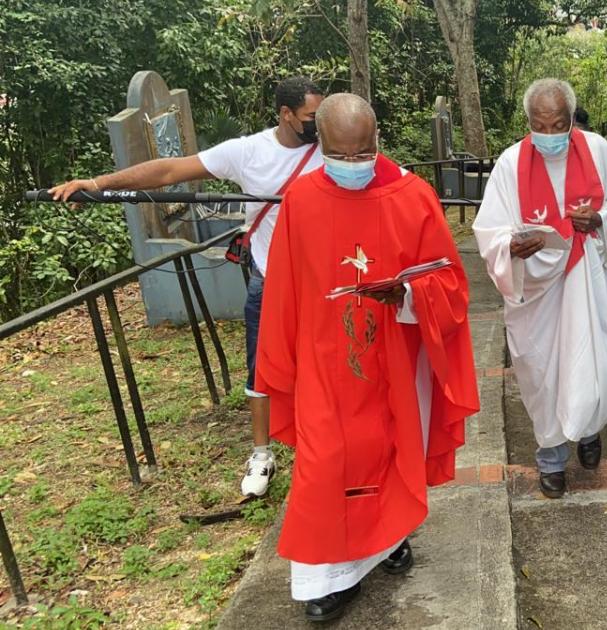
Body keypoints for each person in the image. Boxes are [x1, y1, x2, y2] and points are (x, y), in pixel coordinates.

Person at [255, 93, 479, 621]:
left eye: (362, 154)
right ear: (321, 145)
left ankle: (388, 541)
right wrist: (280, 361)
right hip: (323, 360)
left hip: (394, 358)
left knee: (389, 447)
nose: (352, 165)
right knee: (326, 460)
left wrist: (406, 296)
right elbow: (284, 289)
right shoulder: (302, 200)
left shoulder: (413, 196)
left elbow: (449, 281)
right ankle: (321, 579)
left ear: (377, 141)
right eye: (340, 154)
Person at [49, 77, 326, 498]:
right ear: (285, 114)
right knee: (261, 367)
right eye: (310, 117)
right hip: (271, 279)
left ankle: (323, 443)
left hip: (325, 279)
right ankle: (261, 454)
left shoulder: (332, 145)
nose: (317, 124)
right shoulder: (247, 151)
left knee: (327, 363)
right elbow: (169, 169)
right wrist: (100, 183)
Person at [473, 78, 607, 499]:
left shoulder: (599, 151)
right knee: (543, 372)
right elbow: (489, 230)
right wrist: (512, 245)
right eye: (539, 126)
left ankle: (587, 433)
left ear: (571, 120)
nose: (549, 135)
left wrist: (599, 219)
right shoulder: (511, 164)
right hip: (537, 292)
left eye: (558, 125)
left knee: (592, 364)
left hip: (590, 279)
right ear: (527, 122)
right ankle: (550, 457)